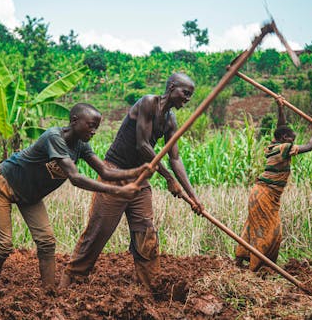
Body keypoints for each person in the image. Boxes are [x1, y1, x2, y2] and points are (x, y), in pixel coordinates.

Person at [0, 103, 150, 297]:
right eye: (91, 125)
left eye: (97, 126)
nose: (94, 131)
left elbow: (104, 170)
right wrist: (119, 191)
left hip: (30, 195)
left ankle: (49, 295)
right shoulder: (54, 137)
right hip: (4, 183)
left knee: (46, 243)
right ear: (74, 121)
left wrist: (137, 171)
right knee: (3, 247)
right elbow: (76, 178)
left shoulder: (81, 145)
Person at [59, 73, 205, 290]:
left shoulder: (170, 120)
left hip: (140, 181)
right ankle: (68, 281)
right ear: (172, 87)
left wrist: (194, 197)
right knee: (98, 231)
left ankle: (149, 287)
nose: (187, 99)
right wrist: (167, 178)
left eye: (191, 95)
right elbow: (143, 146)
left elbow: (174, 158)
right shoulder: (148, 103)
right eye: (185, 93)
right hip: (116, 174)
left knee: (146, 232)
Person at [235, 99, 312, 271]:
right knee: (269, 231)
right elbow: (309, 147)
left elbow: (281, 128)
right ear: (284, 139)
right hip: (265, 194)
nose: (292, 142)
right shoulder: (284, 148)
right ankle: (254, 269)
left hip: (260, 193)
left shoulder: (274, 145)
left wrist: (280, 108)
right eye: (291, 139)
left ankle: (242, 260)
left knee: (255, 225)